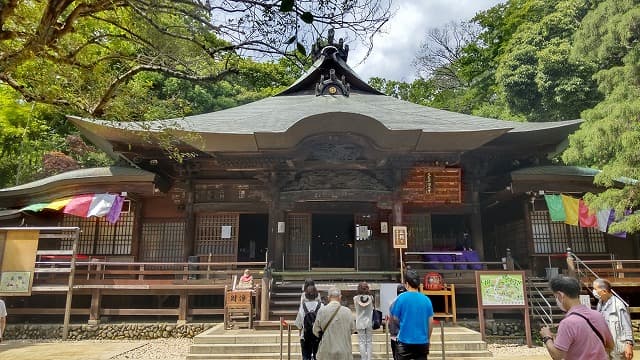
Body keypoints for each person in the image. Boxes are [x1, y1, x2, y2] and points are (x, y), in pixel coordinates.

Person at [540, 275, 614, 360]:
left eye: (555, 296)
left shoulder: (567, 323)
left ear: (560, 295)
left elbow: (557, 355)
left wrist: (547, 337)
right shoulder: (598, 315)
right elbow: (610, 345)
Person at [389, 270, 434, 360]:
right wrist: (427, 338)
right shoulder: (426, 300)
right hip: (422, 341)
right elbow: (430, 322)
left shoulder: (401, 298)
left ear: (407, 284)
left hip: (405, 341)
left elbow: (394, 318)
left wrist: (402, 325)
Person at [593, 278, 634, 360]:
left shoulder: (618, 305)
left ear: (604, 291)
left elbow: (627, 325)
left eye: (595, 289)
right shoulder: (600, 304)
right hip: (604, 346)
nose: (594, 291)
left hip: (617, 347)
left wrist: (629, 344)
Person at [313, 287, 355, 360]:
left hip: (326, 351)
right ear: (340, 297)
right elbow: (352, 329)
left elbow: (315, 331)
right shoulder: (348, 311)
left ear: (328, 297)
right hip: (344, 351)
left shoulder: (322, 311)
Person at [295, 284, 323, 360]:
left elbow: (299, 324)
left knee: (306, 357)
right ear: (317, 294)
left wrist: (300, 334)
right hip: (318, 337)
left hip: (306, 336)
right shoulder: (322, 306)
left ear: (306, 295)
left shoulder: (302, 307)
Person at [353, 281, 374, 360]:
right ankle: (369, 358)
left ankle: (363, 358)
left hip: (359, 322)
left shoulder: (355, 298)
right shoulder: (371, 298)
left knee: (361, 342)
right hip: (369, 321)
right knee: (369, 342)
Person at [388, 284, 407, 360]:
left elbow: (391, 320)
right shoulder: (407, 302)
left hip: (394, 337)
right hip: (404, 337)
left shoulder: (392, 303)